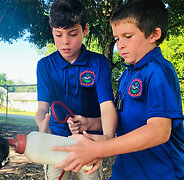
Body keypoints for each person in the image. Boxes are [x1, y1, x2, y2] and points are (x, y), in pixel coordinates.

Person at [53, 0, 184, 179]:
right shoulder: (127, 75)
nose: (120, 45)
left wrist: (99, 149)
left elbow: (159, 130)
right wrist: (89, 125)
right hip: (126, 171)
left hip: (160, 173)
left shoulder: (159, 71)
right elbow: (125, 123)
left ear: (154, 34)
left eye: (127, 36)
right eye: (116, 39)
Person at [35, 0, 118, 179]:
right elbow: (42, 109)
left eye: (72, 34)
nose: (65, 42)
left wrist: (107, 139)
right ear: (52, 32)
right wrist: (42, 125)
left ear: (85, 30)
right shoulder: (45, 66)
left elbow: (107, 107)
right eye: (58, 34)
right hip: (56, 143)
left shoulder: (99, 63)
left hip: (89, 141)